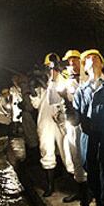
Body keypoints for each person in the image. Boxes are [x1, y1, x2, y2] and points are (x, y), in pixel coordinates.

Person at [69, 49, 104, 206]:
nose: (92, 59)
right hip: (89, 142)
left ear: (101, 62)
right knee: (96, 185)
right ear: (84, 66)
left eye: (95, 57)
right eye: (87, 58)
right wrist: (68, 110)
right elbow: (75, 121)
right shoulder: (80, 91)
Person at [47, 49, 91, 206]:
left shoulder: (89, 80)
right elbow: (53, 99)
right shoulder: (65, 81)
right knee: (76, 162)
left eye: (75, 61)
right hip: (73, 127)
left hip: (88, 128)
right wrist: (54, 76)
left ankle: (93, 195)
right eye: (69, 62)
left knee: (92, 163)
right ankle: (84, 203)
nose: (72, 64)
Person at [30, 53, 72, 197]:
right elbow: (35, 105)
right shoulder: (40, 81)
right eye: (48, 66)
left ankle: (73, 186)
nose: (50, 69)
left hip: (61, 119)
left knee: (67, 151)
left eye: (52, 66)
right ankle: (50, 186)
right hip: (45, 121)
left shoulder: (64, 78)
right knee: (47, 152)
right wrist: (33, 90)